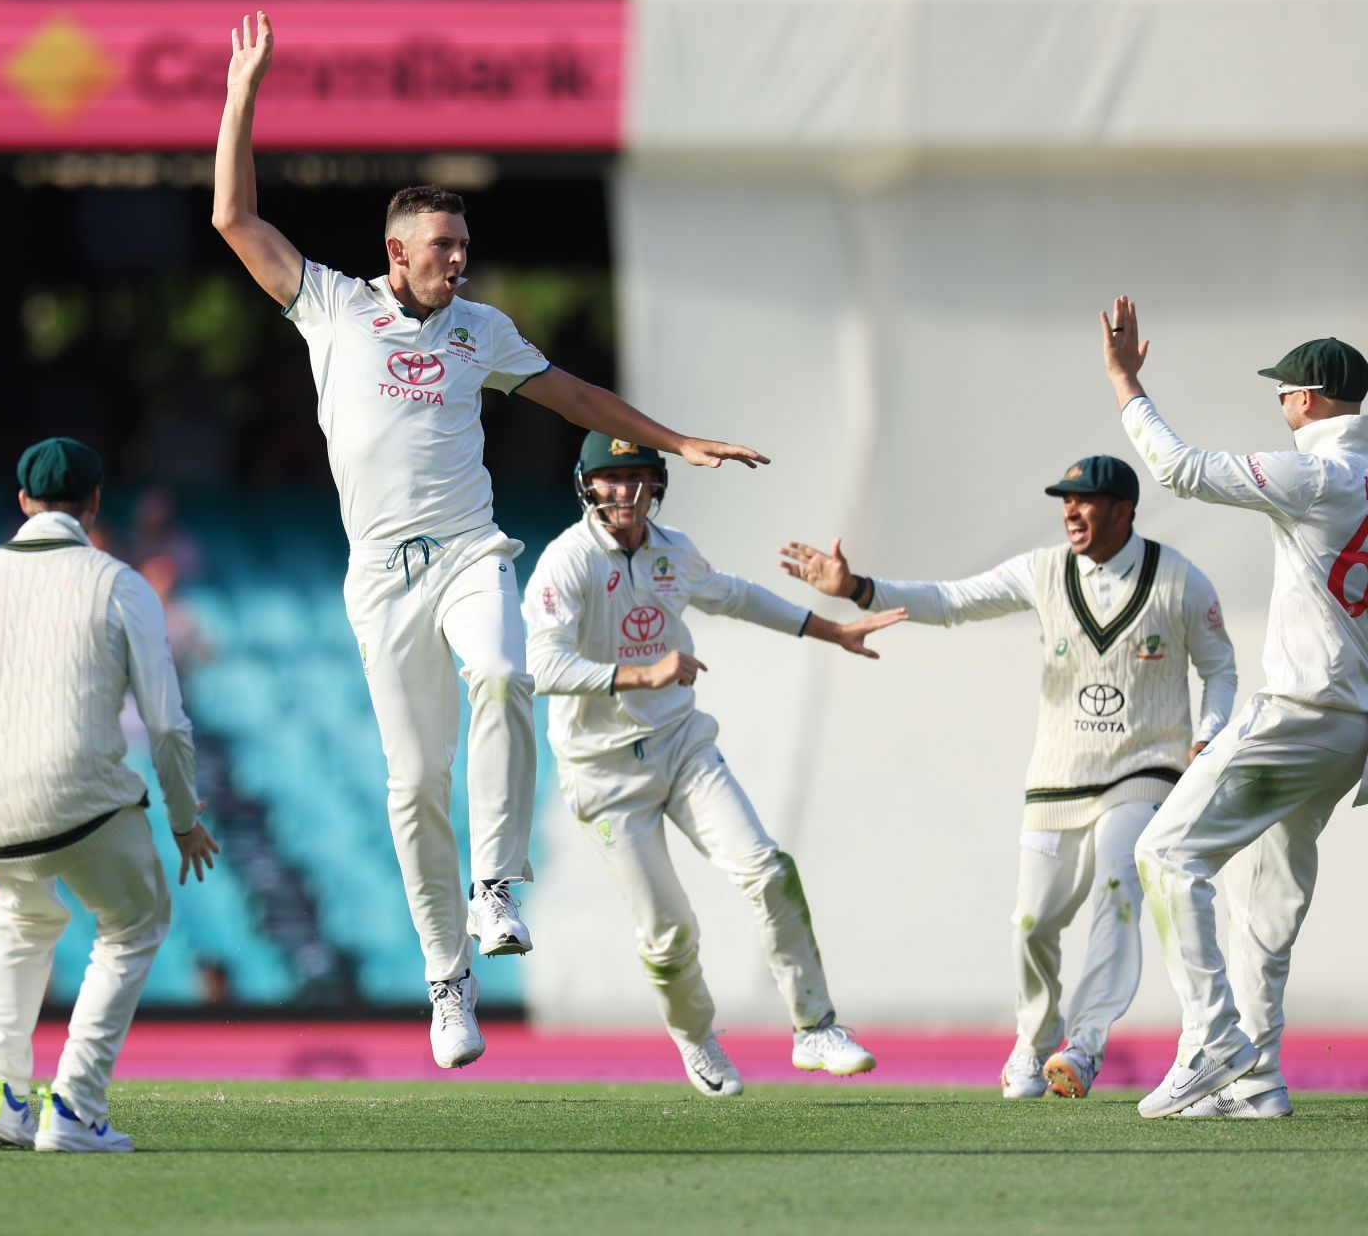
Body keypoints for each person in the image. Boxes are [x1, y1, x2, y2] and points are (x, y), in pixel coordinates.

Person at [213, 11, 767, 1068]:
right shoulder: (330, 305)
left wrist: (676, 437)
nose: (458, 261)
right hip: (380, 579)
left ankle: (499, 885)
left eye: (464, 246)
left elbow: (573, 394)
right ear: (394, 254)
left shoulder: (481, 331)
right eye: (441, 248)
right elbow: (234, 215)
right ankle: (445, 980)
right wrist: (244, 91)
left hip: (472, 551)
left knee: (507, 669)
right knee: (413, 785)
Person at [779, 454, 1236, 1101]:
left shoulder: (1181, 580)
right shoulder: (1043, 570)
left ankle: (1083, 1046)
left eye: (1085, 501)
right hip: (1058, 775)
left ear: (1124, 510)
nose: (1070, 512)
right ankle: (1033, 1040)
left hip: (1147, 767)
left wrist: (1207, 740)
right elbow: (953, 600)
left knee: (1118, 885)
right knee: (1031, 922)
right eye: (1065, 501)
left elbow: (1220, 668)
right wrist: (859, 588)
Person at [526, 433, 895, 1095]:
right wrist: (642, 673)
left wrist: (831, 630)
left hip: (681, 745)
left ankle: (815, 1028)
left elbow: (738, 596)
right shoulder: (567, 562)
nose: (627, 492)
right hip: (604, 775)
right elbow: (541, 665)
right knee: (668, 933)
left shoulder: (674, 553)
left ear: (657, 485)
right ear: (588, 486)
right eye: (612, 478)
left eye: (639, 476)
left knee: (768, 869)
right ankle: (697, 1041)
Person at [0, 438, 218, 1153]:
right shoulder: (120, 581)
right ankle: (74, 1104)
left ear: (21, 503)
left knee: (20, 918)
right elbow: (166, 721)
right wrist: (186, 819)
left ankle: (0, 1095)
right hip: (87, 803)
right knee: (134, 924)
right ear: (96, 503)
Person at [1102, 299, 1368, 1119]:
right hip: (1351, 733)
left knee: (1165, 856)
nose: (1280, 404)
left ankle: (1214, 1039)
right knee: (1266, 901)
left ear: (1309, 400)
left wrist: (1124, 382)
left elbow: (1180, 470)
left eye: (1285, 392)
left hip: (1299, 711)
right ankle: (1256, 1077)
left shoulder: (1317, 472)